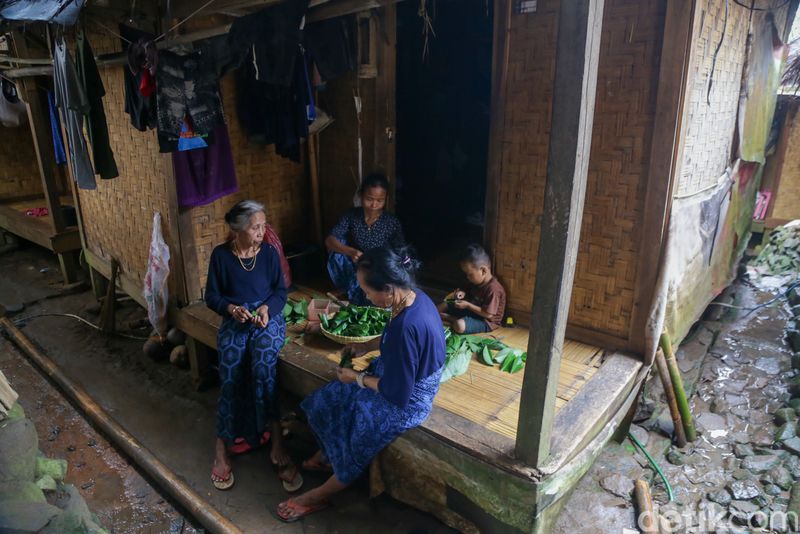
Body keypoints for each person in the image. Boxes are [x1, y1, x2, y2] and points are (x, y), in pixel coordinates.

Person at [276, 246, 445, 522]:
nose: (365, 296)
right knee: (332, 395)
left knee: (361, 425)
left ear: (388, 288)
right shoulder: (411, 297)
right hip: (397, 374)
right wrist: (366, 345)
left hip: (410, 397)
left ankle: (317, 496)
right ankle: (327, 455)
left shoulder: (408, 325)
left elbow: (398, 394)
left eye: (368, 291)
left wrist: (357, 378)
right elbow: (393, 337)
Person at [205, 200, 299, 492]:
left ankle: (276, 441)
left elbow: (280, 292)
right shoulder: (221, 257)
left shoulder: (269, 254)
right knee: (231, 368)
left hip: (266, 318)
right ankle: (222, 445)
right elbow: (211, 296)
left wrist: (268, 310)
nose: (262, 231)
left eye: (263, 225)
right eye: (256, 227)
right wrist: (231, 309)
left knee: (263, 366)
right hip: (236, 319)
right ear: (238, 230)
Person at [325, 173, 405, 304]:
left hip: (380, 267)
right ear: (361, 195)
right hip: (358, 263)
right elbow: (330, 240)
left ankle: (360, 291)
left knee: (371, 298)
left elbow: (400, 251)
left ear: (386, 199)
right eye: (369, 199)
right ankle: (347, 287)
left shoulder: (391, 222)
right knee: (336, 250)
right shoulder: (351, 215)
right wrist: (351, 252)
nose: (374, 205)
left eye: (380, 200)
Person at [438, 244, 506, 334]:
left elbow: (488, 314)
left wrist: (468, 305)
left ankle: (449, 318)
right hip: (472, 312)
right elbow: (465, 289)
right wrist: (461, 293)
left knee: (459, 325)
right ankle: (433, 315)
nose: (467, 277)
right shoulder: (476, 281)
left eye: (470, 274)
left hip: (486, 321)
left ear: (483, 271)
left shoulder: (494, 289)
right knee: (448, 302)